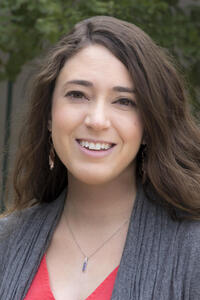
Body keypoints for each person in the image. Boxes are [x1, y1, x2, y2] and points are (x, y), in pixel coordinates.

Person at [0, 15, 200, 300]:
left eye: (124, 101)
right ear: (48, 115)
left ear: (147, 126)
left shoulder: (192, 250)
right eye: (78, 94)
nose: (97, 120)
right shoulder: (6, 241)